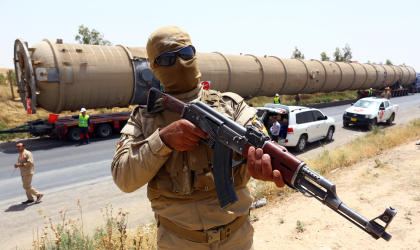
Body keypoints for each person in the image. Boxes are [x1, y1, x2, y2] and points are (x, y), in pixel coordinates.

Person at [111, 26, 285, 249]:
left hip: (236, 238)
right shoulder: (143, 119)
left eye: (186, 54)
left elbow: (261, 146)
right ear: (154, 67)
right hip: (178, 242)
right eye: (167, 59)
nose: (180, 63)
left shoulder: (231, 106)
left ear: (195, 54)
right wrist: (162, 140)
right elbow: (123, 177)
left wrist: (261, 166)